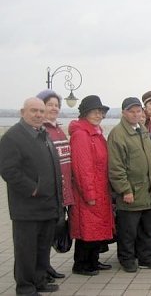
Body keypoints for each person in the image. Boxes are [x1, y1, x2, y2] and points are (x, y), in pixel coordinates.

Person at [0, 97, 62, 295]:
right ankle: (25, 287)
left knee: (43, 248)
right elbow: (9, 170)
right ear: (22, 112)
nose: (38, 115)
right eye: (33, 111)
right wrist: (32, 188)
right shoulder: (13, 137)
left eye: (41, 112)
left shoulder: (42, 133)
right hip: (27, 207)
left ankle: (39, 280)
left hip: (48, 205)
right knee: (26, 250)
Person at [108, 97, 151, 273]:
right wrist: (124, 190)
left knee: (148, 229)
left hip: (148, 191)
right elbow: (116, 167)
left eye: (138, 111)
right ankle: (127, 259)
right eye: (131, 111)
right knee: (128, 231)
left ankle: (146, 257)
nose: (136, 114)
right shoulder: (118, 134)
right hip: (131, 192)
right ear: (123, 113)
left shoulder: (143, 130)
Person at [68, 95, 115, 276]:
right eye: (95, 112)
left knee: (96, 229)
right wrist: (89, 194)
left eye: (100, 112)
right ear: (85, 113)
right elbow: (82, 167)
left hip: (100, 188)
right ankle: (81, 264)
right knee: (86, 229)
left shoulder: (95, 132)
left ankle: (93, 261)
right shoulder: (81, 135)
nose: (98, 115)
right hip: (89, 190)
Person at [36, 89, 74, 282]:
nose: (53, 108)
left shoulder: (58, 129)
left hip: (63, 190)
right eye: (49, 104)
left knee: (52, 232)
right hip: (50, 192)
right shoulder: (40, 131)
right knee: (43, 235)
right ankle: (40, 271)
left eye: (56, 105)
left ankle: (46, 266)